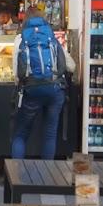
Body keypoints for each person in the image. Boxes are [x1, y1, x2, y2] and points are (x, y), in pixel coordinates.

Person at [10, 13, 73, 160]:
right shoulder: (51, 38)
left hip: (31, 90)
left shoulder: (20, 39)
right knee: (50, 134)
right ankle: (47, 175)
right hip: (54, 90)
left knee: (21, 134)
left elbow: (16, 74)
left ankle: (16, 175)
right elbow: (71, 66)